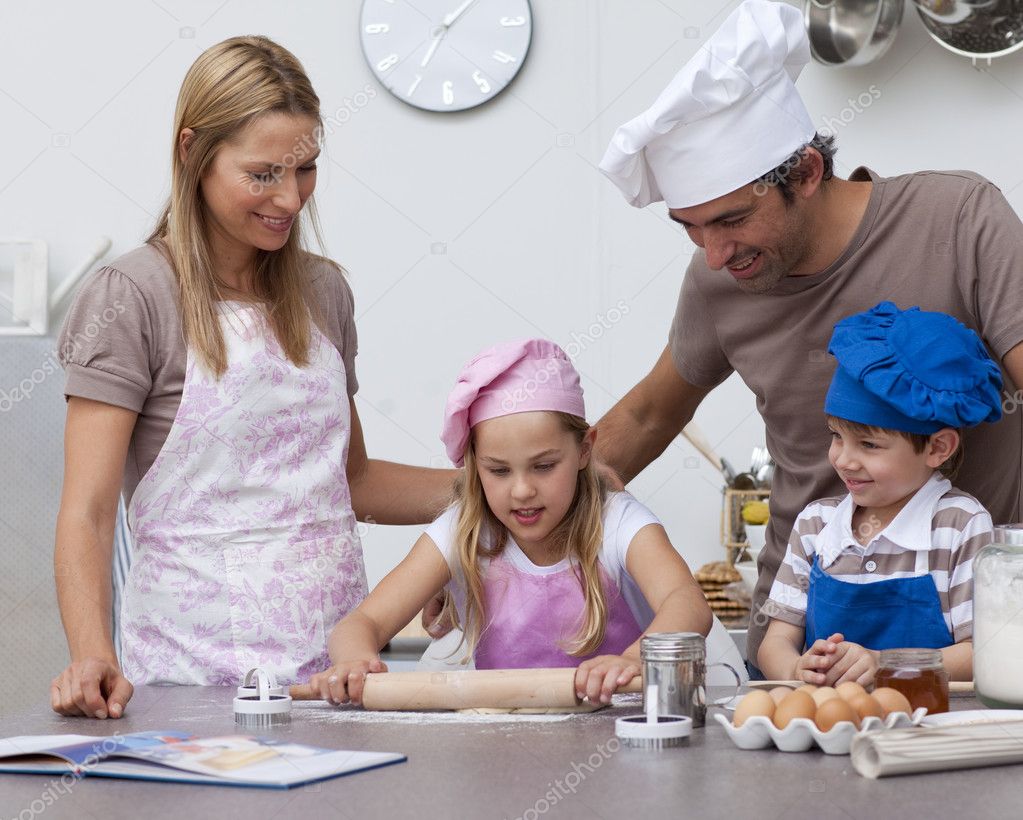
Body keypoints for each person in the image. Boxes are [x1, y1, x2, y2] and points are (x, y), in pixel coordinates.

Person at [595, 0, 1023, 675]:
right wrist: (486, 538)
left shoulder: (958, 219)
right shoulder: (717, 281)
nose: (712, 254)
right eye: (689, 226)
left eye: (731, 219)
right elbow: (650, 412)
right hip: (797, 647)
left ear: (804, 173)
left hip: (970, 646)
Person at [52, 36, 454, 719]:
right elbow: (87, 515)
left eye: (305, 170)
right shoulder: (133, 296)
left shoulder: (324, 292)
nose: (290, 199)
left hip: (332, 679)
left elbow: (349, 481)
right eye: (263, 174)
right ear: (192, 153)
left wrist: (494, 490)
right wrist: (93, 653)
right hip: (188, 684)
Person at [308, 339, 736, 706]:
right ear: (474, 466)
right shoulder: (464, 530)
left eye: (544, 466)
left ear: (585, 449)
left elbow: (688, 604)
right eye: (498, 471)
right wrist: (355, 660)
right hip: (509, 752)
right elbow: (361, 624)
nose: (522, 491)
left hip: (624, 732)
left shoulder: (618, 522)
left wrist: (630, 661)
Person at [756, 303, 1001, 684]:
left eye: (869, 445)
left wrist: (886, 663)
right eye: (836, 436)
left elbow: (982, 652)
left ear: (938, 448)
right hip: (830, 728)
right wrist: (795, 668)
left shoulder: (960, 525)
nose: (844, 460)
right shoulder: (815, 525)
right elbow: (775, 643)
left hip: (931, 725)